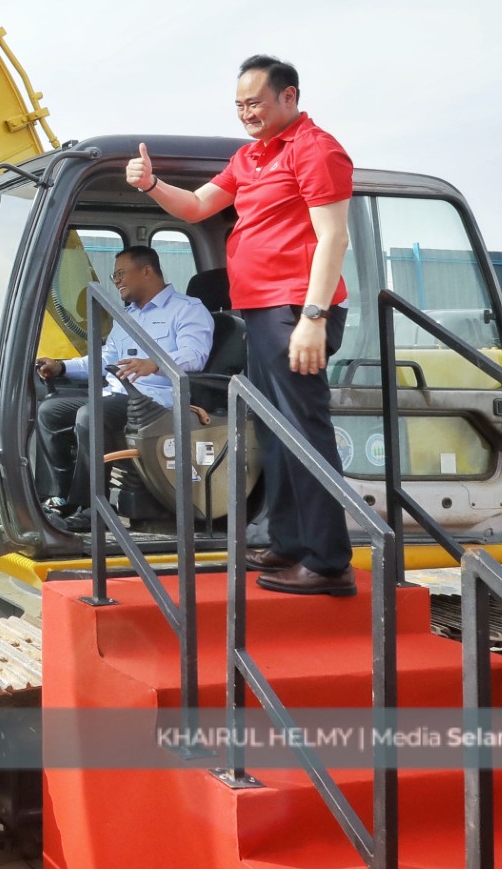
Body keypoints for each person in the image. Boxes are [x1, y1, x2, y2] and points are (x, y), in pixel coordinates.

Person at [127, 54, 356, 597]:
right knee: (276, 434)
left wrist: (313, 318)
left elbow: (333, 238)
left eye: (255, 102)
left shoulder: (316, 150)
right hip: (261, 312)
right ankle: (290, 541)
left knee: (304, 433)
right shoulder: (249, 158)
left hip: (296, 311)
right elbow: (197, 206)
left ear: (289, 98)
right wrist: (153, 183)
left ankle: (327, 562)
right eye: (239, 105)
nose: (247, 113)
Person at [35, 245, 213, 533]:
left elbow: (195, 355)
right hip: (118, 395)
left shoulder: (188, 309)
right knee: (50, 411)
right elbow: (107, 358)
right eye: (114, 275)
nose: (116, 280)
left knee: (89, 416)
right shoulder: (127, 316)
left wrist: (154, 364)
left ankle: (93, 508)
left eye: (120, 273)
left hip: (156, 401)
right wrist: (62, 367)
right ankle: (59, 497)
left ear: (146, 271)